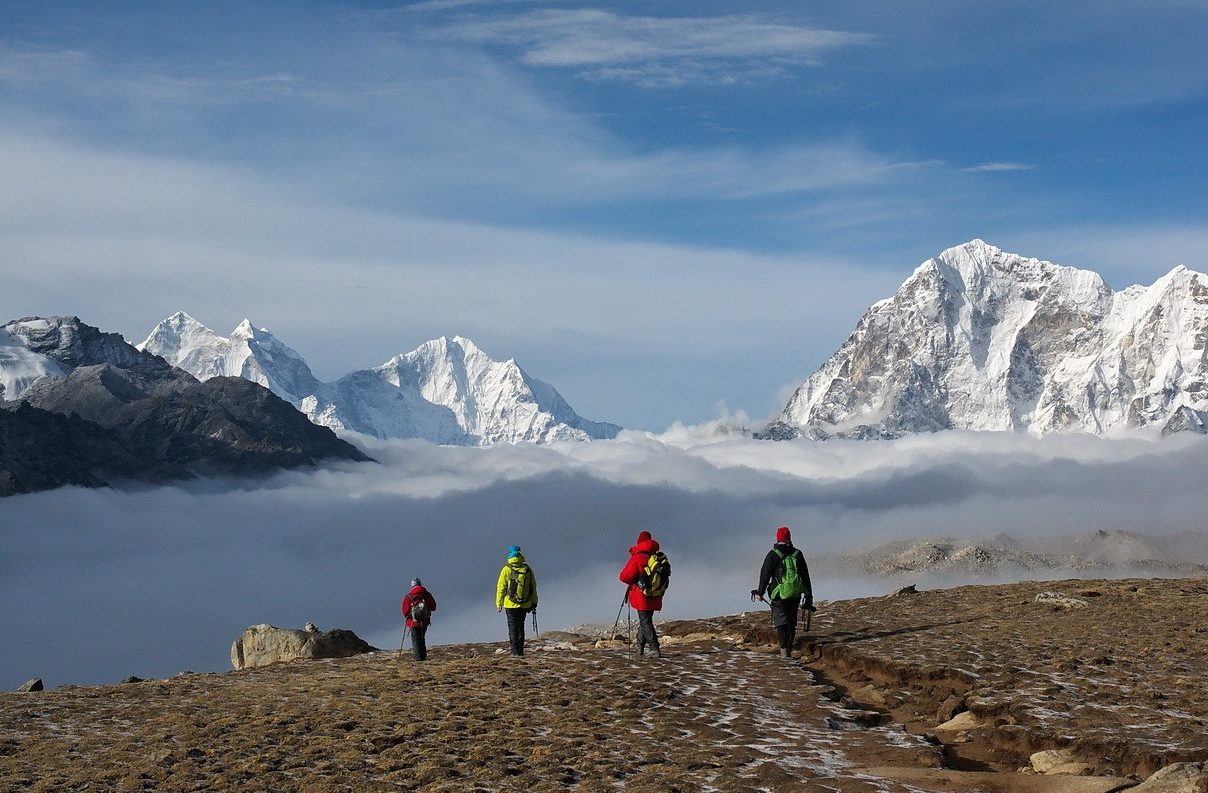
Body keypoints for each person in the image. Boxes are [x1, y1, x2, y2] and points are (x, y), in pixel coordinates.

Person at [753, 526, 814, 658]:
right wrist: (809, 597)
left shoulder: (773, 555)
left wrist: (760, 592)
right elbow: (805, 576)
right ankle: (789, 650)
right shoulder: (798, 554)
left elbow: (765, 575)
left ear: (778, 538)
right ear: (789, 538)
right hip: (795, 594)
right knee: (791, 623)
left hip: (778, 595)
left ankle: (784, 653)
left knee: (781, 623)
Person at [618, 530, 665, 657]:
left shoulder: (637, 557)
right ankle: (640, 647)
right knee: (645, 620)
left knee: (645, 621)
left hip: (642, 595)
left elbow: (624, 576)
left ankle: (654, 648)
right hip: (655, 593)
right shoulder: (656, 557)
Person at [495, 545, 538, 656]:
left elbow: (501, 587)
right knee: (521, 626)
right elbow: (533, 586)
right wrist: (534, 602)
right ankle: (520, 651)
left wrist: (499, 603)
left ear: (509, 556)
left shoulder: (506, 569)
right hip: (525, 603)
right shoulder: (527, 569)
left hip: (510, 604)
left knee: (512, 627)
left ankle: (515, 652)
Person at [401, 577, 437, 661]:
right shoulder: (427, 594)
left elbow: (405, 611)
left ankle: (418, 658)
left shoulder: (409, 596)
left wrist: (410, 615)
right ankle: (423, 656)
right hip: (424, 621)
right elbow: (433, 607)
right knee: (422, 638)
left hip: (413, 622)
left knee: (415, 640)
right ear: (420, 584)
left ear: (412, 585)